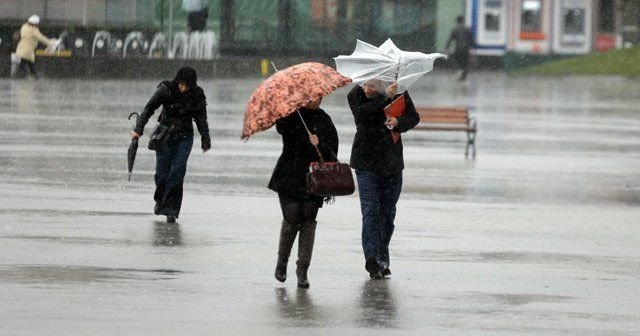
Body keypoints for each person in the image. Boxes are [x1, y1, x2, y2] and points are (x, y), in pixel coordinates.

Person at [347, 79, 419, 279]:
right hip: (365, 163)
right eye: (365, 85)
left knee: (387, 213)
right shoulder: (355, 94)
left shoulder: (399, 92)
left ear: (381, 83)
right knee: (370, 211)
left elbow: (414, 117)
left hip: (392, 163)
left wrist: (399, 123)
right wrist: (384, 97)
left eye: (371, 86)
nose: (366, 89)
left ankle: (381, 258)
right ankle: (371, 257)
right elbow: (362, 116)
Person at [268, 98, 338, 288]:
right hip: (289, 174)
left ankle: (302, 269)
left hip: (314, 178)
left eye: (320, 97)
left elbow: (333, 150)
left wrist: (319, 143)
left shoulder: (324, 119)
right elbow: (281, 128)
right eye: (313, 97)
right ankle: (282, 263)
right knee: (291, 218)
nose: (316, 100)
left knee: (308, 221)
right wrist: (286, 108)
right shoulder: (291, 114)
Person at [130, 67, 211, 223]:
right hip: (164, 137)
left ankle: (171, 210)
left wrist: (205, 140)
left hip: (185, 137)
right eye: (181, 84)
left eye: (186, 86)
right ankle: (160, 200)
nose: (183, 88)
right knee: (162, 173)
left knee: (177, 171)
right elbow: (149, 108)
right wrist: (138, 129)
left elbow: (201, 118)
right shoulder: (166, 89)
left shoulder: (197, 94)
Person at [14, 15, 54, 79]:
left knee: (28, 63)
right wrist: (50, 42)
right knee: (25, 62)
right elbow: (41, 38)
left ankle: (32, 75)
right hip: (28, 49)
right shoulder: (33, 30)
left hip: (22, 47)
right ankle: (24, 76)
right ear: (35, 23)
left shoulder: (24, 26)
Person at [445, 15, 474, 81]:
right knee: (466, 63)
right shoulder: (467, 29)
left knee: (457, 61)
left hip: (458, 49)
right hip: (466, 49)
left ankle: (460, 70)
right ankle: (463, 75)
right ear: (463, 21)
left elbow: (450, 39)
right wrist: (472, 47)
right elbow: (471, 40)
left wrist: (446, 47)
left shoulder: (455, 29)